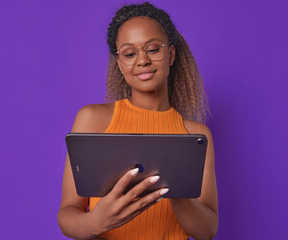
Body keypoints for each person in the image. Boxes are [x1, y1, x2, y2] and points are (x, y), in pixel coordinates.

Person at [57, 2, 218, 239]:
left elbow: (208, 231)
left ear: (170, 54)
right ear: (120, 64)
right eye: (130, 54)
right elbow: (67, 214)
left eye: (153, 49)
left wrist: (177, 190)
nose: (142, 60)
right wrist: (96, 222)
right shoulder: (93, 119)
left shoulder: (195, 135)